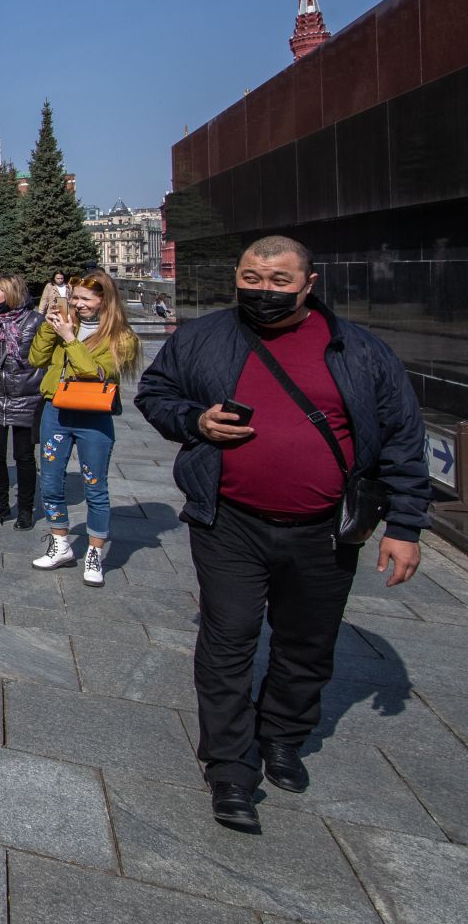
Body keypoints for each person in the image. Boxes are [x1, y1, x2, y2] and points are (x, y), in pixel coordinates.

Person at [134, 235, 431, 835]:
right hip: (230, 523)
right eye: (251, 278)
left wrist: (405, 524)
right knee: (229, 638)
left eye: (278, 282)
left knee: (306, 643)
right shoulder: (205, 336)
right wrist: (195, 420)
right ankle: (229, 767)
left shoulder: (358, 349)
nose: (263, 291)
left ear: (308, 284)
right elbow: (155, 394)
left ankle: (283, 737)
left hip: (324, 532)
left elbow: (402, 437)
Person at [28, 269, 139, 586]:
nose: (77, 304)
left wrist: (69, 339)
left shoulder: (122, 338)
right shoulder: (66, 325)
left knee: (95, 486)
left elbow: (94, 373)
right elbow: (36, 359)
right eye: (74, 298)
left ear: (105, 301)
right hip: (57, 410)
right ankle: (60, 543)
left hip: (94, 415)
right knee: (50, 480)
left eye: (85, 299)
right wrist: (51, 328)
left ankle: (94, 551)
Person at [0, 274, 45, 528]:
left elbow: (46, 358)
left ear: (11, 292)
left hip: (26, 397)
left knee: (24, 455)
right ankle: (0, 503)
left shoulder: (35, 321)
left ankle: (26, 508)